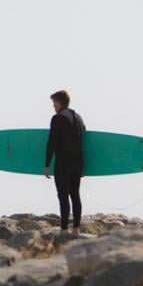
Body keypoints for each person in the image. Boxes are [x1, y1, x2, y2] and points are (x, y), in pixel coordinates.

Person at [44, 90, 86, 234]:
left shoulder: (57, 118)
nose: (53, 106)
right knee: (75, 194)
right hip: (78, 162)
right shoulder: (78, 117)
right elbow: (84, 135)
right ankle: (76, 227)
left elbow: (52, 142)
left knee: (63, 195)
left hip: (64, 162)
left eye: (54, 103)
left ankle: (63, 229)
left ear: (60, 102)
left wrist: (47, 164)